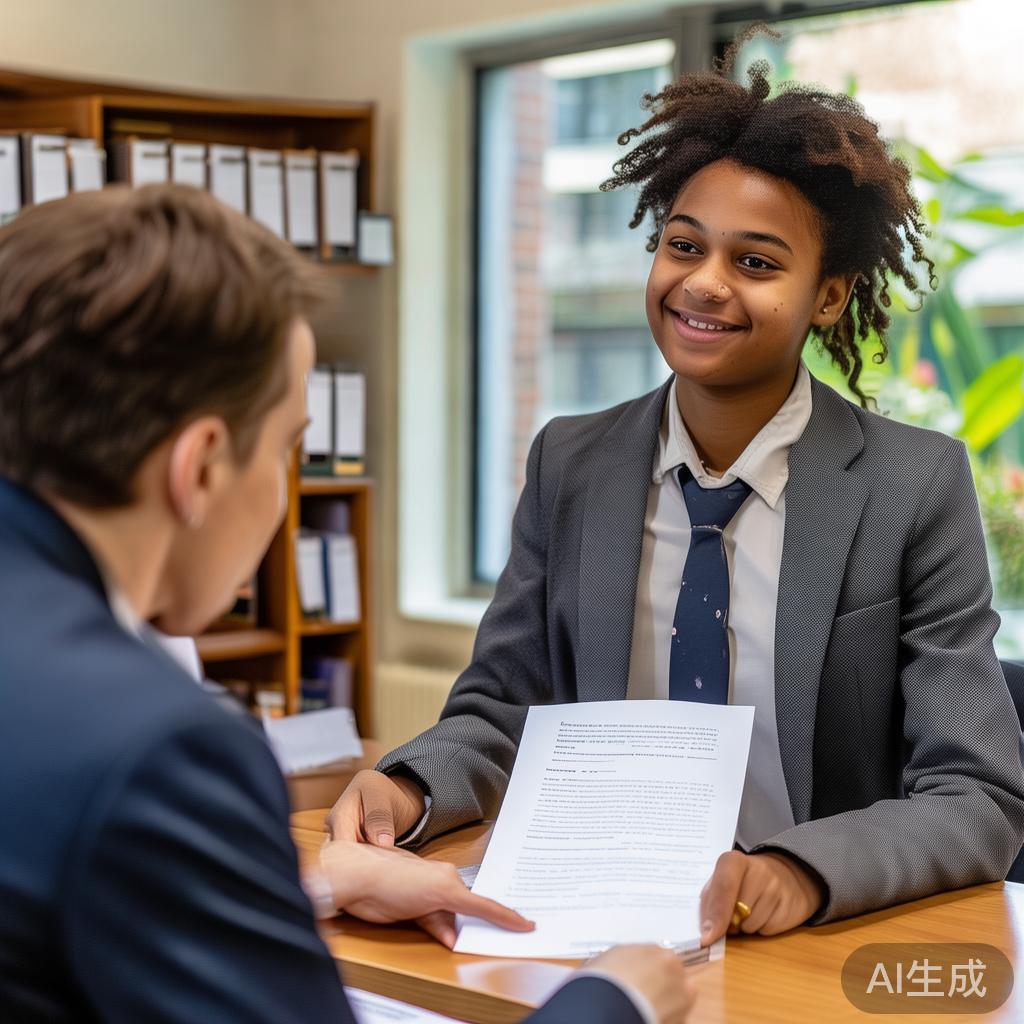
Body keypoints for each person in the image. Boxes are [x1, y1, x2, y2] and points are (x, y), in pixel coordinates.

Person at [328, 45, 1024, 945]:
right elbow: (504, 707)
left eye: (758, 263)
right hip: (603, 917)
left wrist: (798, 875)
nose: (704, 282)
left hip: (817, 933)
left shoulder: (913, 485)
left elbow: (976, 794)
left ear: (828, 298)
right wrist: (407, 788)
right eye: (683, 246)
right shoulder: (570, 463)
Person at [0, 184, 694, 1024]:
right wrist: (613, 1002)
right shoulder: (160, 748)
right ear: (202, 468)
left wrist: (310, 880)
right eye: (289, 444)